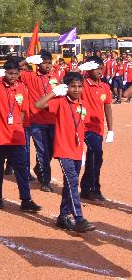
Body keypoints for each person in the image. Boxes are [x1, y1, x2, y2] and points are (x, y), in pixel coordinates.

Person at [34, 73, 96, 233]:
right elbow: (38, 104)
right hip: (64, 150)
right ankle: (79, 218)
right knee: (73, 182)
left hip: (77, 150)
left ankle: (62, 217)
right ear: (66, 87)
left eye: (79, 86)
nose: (76, 89)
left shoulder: (83, 105)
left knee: (70, 185)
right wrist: (54, 92)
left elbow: (81, 127)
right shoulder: (60, 102)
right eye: (73, 86)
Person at [0, 59, 42, 212]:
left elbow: (22, 111)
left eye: (16, 73)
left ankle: (26, 199)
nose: (13, 76)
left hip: (16, 136)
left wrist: (17, 127)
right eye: (9, 73)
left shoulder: (22, 87)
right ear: (4, 72)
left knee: (21, 169)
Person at [21, 50, 59, 192]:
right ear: (38, 63)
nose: (47, 65)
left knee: (53, 149)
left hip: (53, 119)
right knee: (42, 150)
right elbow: (12, 69)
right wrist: (27, 60)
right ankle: (45, 181)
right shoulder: (30, 76)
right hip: (37, 120)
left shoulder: (55, 77)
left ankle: (39, 168)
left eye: (49, 62)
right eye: (44, 62)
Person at [79, 56, 113, 201]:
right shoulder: (82, 84)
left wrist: (111, 129)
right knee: (96, 154)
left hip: (98, 127)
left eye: (101, 68)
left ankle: (86, 188)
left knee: (95, 158)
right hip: (84, 127)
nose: (99, 71)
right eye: (96, 68)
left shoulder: (105, 86)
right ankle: (94, 188)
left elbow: (108, 107)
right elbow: (66, 81)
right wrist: (81, 68)